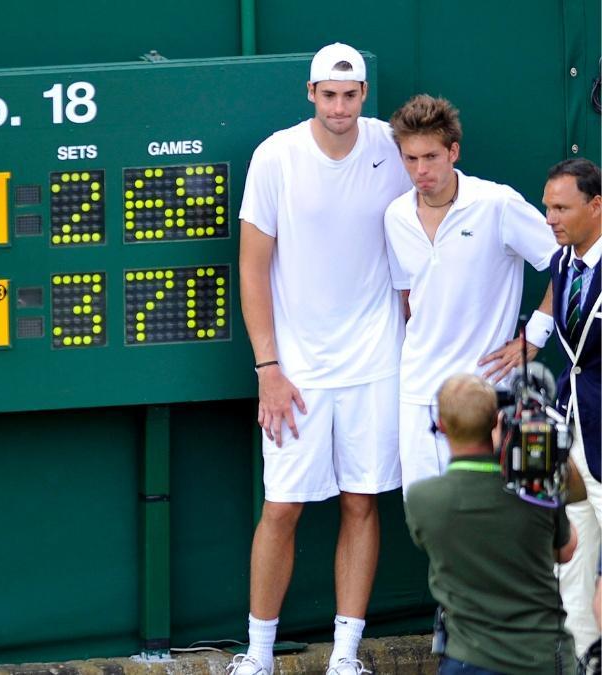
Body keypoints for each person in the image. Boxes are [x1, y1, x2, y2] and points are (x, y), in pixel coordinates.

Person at [231, 42, 412, 675]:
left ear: (365, 95)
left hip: (376, 362)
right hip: (295, 373)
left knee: (362, 502)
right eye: (328, 94)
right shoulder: (275, 156)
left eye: (351, 94)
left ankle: (345, 655)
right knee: (281, 507)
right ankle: (256, 657)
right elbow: (253, 268)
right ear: (311, 94)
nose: (339, 106)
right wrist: (268, 368)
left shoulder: (393, 147)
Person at [383, 94, 559, 497]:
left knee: (493, 519)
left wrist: (535, 335)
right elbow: (409, 297)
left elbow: (564, 263)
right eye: (410, 159)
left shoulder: (497, 204)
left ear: (454, 151)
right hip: (418, 394)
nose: (420, 170)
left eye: (430, 156)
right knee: (428, 520)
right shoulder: (395, 216)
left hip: (487, 392)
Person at [405, 373, 578, 674]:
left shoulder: (423, 499)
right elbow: (566, 550)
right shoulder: (535, 491)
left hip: (467, 658)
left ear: (442, 426)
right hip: (542, 656)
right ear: (498, 422)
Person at [542, 157, 602, 659]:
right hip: (572, 438)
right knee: (571, 567)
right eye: (547, 207)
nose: (551, 218)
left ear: (596, 206)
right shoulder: (562, 263)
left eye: (561, 207)